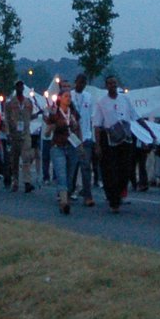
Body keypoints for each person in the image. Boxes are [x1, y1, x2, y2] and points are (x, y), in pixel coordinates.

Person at [94, 75, 136, 213]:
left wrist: (150, 133)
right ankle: (113, 201)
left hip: (124, 138)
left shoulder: (125, 99)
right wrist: (98, 145)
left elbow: (136, 116)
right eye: (110, 83)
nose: (113, 85)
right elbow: (98, 125)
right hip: (109, 140)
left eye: (114, 83)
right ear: (106, 86)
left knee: (126, 169)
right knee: (110, 171)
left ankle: (118, 193)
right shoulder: (101, 102)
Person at [46, 83, 82, 214]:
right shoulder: (55, 113)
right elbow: (47, 132)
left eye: (70, 96)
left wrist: (80, 145)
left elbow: (78, 129)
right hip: (58, 146)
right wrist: (53, 125)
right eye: (66, 96)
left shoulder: (73, 113)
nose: (69, 98)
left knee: (70, 175)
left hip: (71, 146)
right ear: (60, 98)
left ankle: (66, 195)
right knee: (61, 174)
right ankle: (64, 202)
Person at [69, 74, 97, 208]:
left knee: (86, 167)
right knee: (72, 167)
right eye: (79, 82)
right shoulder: (69, 96)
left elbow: (92, 118)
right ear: (75, 82)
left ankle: (87, 195)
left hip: (86, 136)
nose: (81, 85)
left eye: (84, 83)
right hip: (72, 137)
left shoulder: (89, 97)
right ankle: (69, 191)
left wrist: (92, 137)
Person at [2, 84, 36, 192]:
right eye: (18, 87)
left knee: (26, 157)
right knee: (14, 159)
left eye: (21, 87)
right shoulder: (9, 103)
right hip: (14, 134)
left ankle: (27, 181)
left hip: (25, 133)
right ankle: (15, 180)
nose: (20, 89)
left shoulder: (28, 103)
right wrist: (7, 133)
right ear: (15, 89)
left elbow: (30, 116)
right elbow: (6, 119)